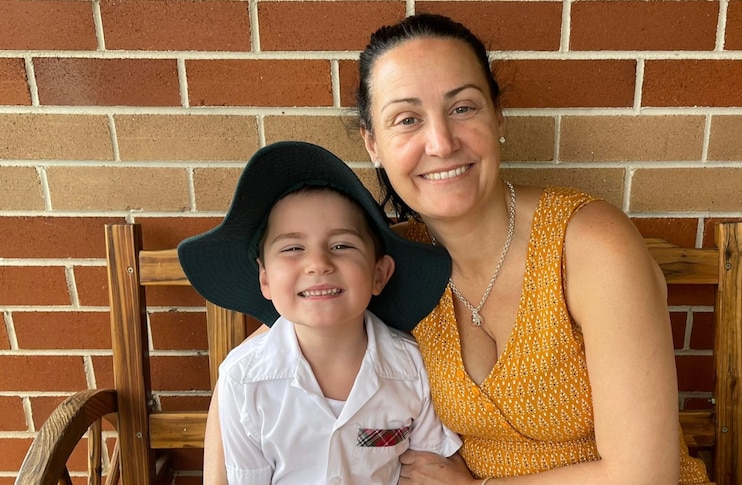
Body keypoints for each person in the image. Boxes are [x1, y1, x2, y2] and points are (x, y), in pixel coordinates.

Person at [208, 14, 713, 485]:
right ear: (373, 145)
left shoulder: (588, 244)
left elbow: (645, 474)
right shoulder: (395, 267)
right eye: (406, 119)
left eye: (462, 108)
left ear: (498, 116)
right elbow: (278, 350)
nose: (442, 142)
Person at [178, 141, 461, 484]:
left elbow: (429, 468)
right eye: (293, 248)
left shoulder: (413, 369)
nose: (318, 264)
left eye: (341, 245)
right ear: (265, 280)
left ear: (379, 274)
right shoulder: (245, 381)